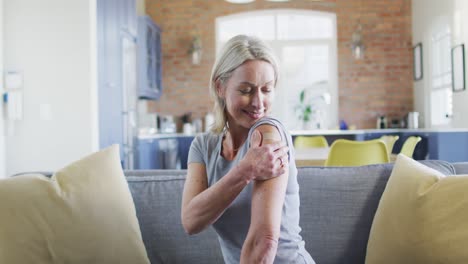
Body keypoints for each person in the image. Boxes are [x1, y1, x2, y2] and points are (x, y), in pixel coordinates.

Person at [181, 35, 314, 264]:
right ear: (220, 86)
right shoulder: (203, 146)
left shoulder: (268, 134)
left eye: (266, 89)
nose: (258, 102)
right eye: (246, 90)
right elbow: (191, 221)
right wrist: (244, 171)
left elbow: (264, 242)